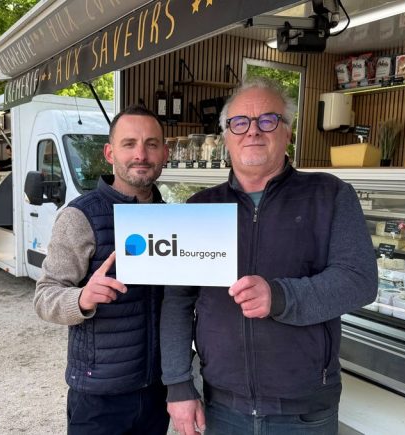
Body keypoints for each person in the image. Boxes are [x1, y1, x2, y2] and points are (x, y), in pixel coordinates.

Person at [161, 78, 378, 435]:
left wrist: (279, 296)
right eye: (240, 123)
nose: (253, 132)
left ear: (288, 132)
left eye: (268, 120)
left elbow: (359, 281)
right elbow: (177, 303)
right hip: (223, 405)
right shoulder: (200, 208)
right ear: (227, 135)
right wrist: (178, 385)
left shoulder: (329, 195)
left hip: (305, 411)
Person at [33, 105, 170, 435]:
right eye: (129, 144)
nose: (141, 154)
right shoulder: (81, 216)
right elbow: (44, 297)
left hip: (158, 389)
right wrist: (81, 299)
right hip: (99, 397)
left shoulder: (173, 220)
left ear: (165, 153)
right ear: (110, 153)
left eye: (151, 144)